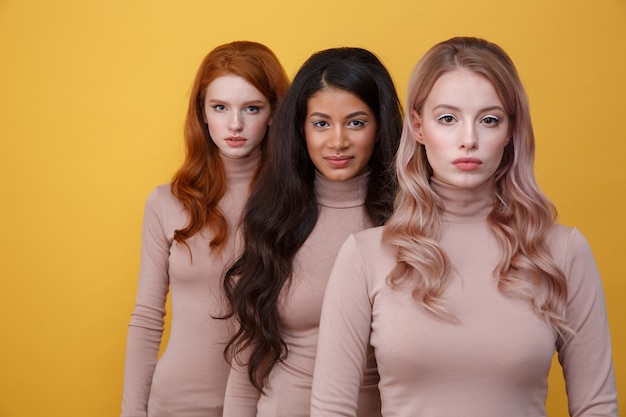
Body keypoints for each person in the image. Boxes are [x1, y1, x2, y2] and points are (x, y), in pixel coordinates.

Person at [310, 37, 618, 417]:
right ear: (419, 128)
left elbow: (596, 407)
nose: (468, 140)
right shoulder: (365, 255)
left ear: (510, 131)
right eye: (448, 119)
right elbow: (331, 410)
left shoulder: (563, 251)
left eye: (489, 120)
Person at [221, 47, 403, 417]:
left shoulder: (410, 222)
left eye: (356, 122)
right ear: (300, 128)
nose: (338, 142)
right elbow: (246, 365)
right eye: (321, 123)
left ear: (380, 126)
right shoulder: (273, 217)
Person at [120, 41, 289, 417]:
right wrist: (132, 412)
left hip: (270, 402)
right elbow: (148, 317)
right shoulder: (166, 202)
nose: (235, 125)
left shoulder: (295, 204)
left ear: (276, 112)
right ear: (202, 112)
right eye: (220, 107)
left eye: (252, 108)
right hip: (176, 402)